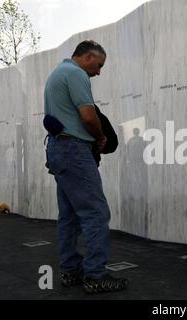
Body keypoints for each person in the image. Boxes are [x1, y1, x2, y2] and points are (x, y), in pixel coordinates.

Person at [44, 40, 128, 294]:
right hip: (74, 149)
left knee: (69, 216)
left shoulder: (56, 74)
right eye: (99, 65)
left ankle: (70, 271)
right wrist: (100, 137)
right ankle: (96, 275)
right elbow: (88, 116)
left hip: (58, 149)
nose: (99, 71)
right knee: (95, 213)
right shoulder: (75, 73)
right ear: (89, 57)